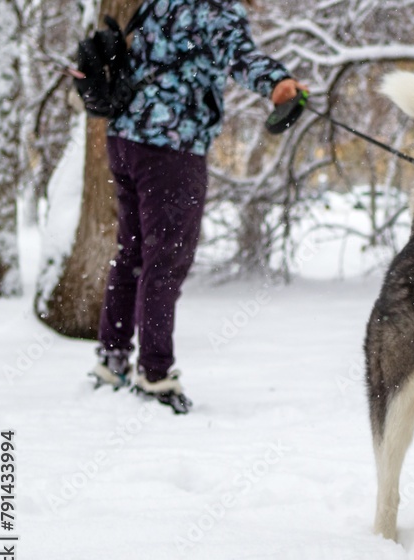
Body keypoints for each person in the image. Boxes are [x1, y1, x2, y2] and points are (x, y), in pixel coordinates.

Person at [91, 0, 305, 414]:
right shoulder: (216, 11)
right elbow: (239, 56)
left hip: (125, 141)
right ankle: (154, 375)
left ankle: (112, 359)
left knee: (133, 253)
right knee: (165, 260)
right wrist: (279, 84)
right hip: (171, 148)